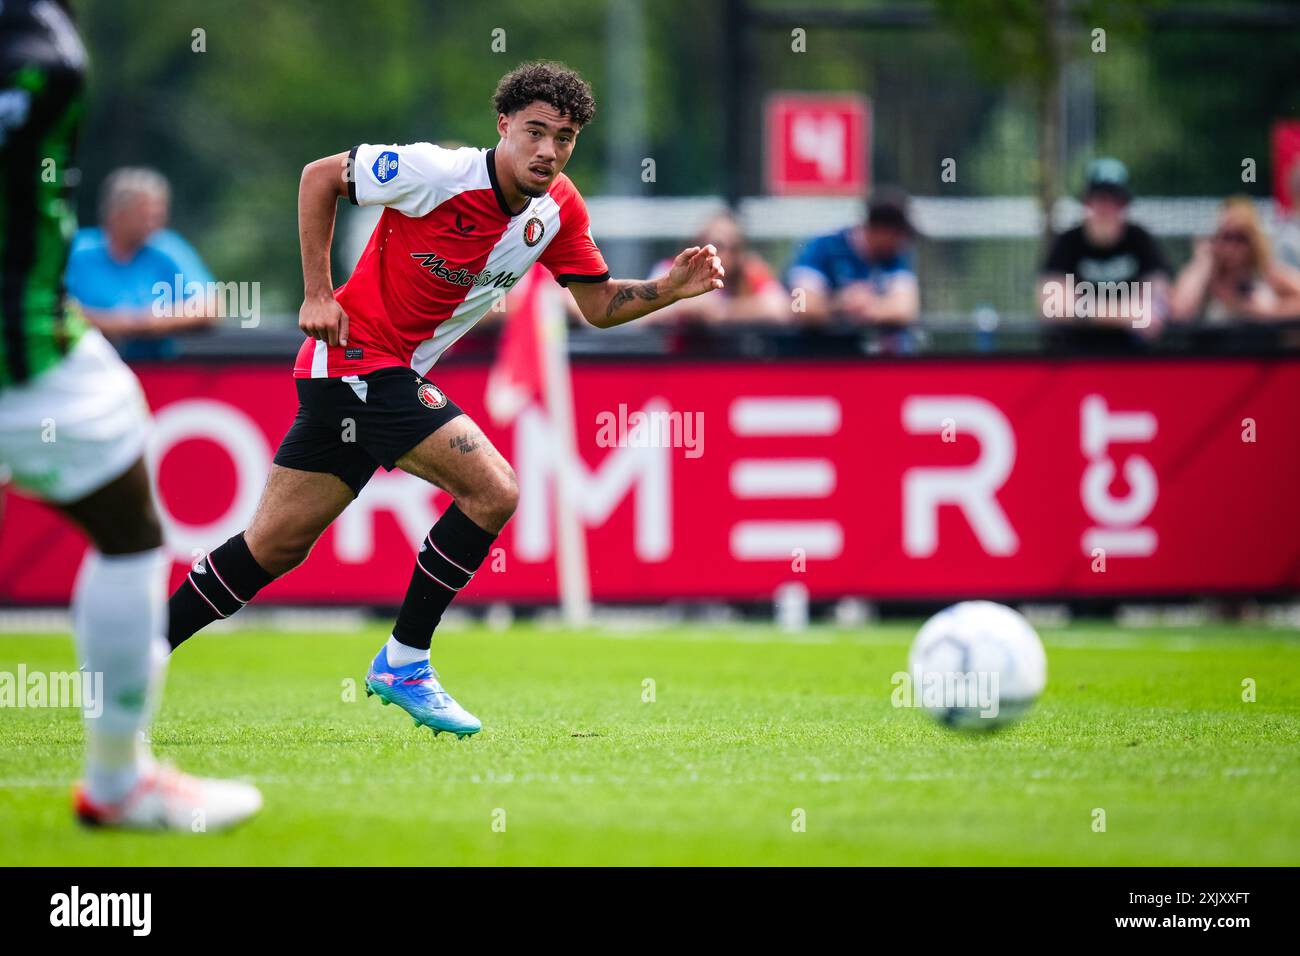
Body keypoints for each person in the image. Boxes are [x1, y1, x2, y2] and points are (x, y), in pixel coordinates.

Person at [163, 61, 725, 737]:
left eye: (566, 137)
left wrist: (669, 290)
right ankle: (404, 662)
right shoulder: (437, 172)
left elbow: (599, 304)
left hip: (365, 375)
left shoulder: (559, 210)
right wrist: (317, 291)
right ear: (504, 127)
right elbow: (319, 178)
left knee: (271, 548)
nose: (549, 150)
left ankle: (135, 659)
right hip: (356, 359)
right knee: (495, 490)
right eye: (536, 132)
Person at [0, 0, 259, 830]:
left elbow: (208, 302)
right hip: (26, 357)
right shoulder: (46, 51)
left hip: (50, 352)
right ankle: (116, 781)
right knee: (129, 535)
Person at [64, 166, 218, 359]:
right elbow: (50, 310)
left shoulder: (168, 248)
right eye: (145, 215)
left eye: (158, 214)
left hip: (154, 369)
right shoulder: (77, 251)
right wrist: (113, 323)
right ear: (116, 214)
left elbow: (209, 307)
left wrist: (139, 323)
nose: (155, 222)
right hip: (82, 366)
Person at [1038, 157, 1171, 351]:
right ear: (1087, 203)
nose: (1106, 209)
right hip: (1075, 358)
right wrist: (1122, 314)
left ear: (1124, 205)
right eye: (1100, 199)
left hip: (1131, 358)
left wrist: (1084, 310)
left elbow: (1159, 298)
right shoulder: (1068, 242)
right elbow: (1052, 305)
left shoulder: (1140, 239)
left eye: (1114, 201)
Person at [786, 186, 920, 330]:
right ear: (881, 230)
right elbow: (801, 306)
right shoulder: (822, 247)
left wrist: (870, 307)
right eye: (898, 235)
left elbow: (906, 309)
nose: (902, 243)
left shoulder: (896, 255)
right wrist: (840, 304)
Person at [1169, 196, 1300, 324]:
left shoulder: (1265, 273)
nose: (1232, 247)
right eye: (1226, 236)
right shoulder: (1208, 277)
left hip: (1262, 345)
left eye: (1240, 237)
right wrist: (1203, 262)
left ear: (1254, 241)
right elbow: (1180, 312)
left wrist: (1271, 312)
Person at [643, 211, 788, 324]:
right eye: (710, 243)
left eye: (731, 247)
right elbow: (642, 316)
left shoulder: (750, 271)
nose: (714, 252)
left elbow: (780, 309)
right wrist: (683, 308)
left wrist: (724, 311)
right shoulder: (672, 270)